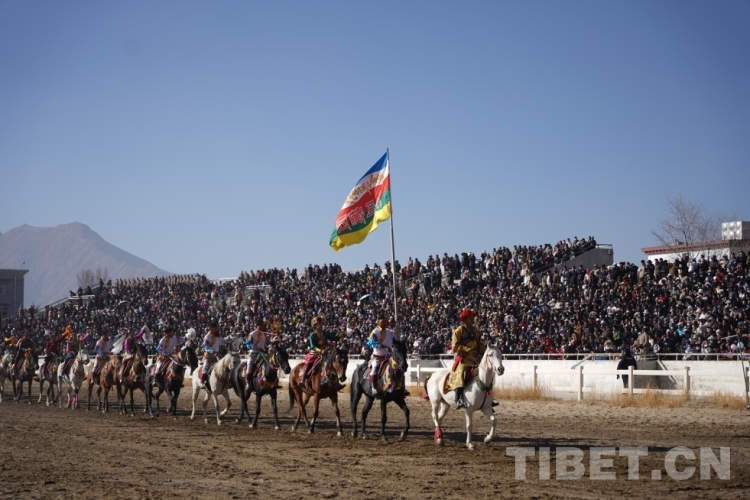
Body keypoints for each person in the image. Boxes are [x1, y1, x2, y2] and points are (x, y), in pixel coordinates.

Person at [447, 309, 486, 409]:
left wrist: (486, 351)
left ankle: (487, 399)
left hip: (475, 359)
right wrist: (466, 349)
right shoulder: (458, 331)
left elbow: (480, 344)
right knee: (461, 374)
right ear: (465, 319)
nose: (473, 319)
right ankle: (457, 399)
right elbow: (454, 346)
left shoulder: (476, 331)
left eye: (473, 317)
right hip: (463, 359)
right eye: (470, 317)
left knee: (486, 374)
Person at [300, 316, 344, 387]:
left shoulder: (325, 333)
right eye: (319, 324)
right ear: (315, 325)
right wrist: (320, 350)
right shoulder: (312, 335)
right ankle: (303, 379)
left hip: (325, 353)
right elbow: (312, 346)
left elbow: (333, 338)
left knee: (332, 364)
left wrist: (340, 336)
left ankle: (336, 382)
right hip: (315, 353)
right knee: (309, 364)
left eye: (321, 323)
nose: (321, 325)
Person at [366, 315, 396, 385]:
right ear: (379, 322)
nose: (385, 323)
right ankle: (373, 387)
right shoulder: (375, 331)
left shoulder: (389, 331)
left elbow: (396, 337)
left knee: (397, 368)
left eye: (386, 321)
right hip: (377, 357)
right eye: (383, 322)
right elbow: (372, 344)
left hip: (388, 357)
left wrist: (397, 326)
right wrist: (384, 347)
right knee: (374, 370)